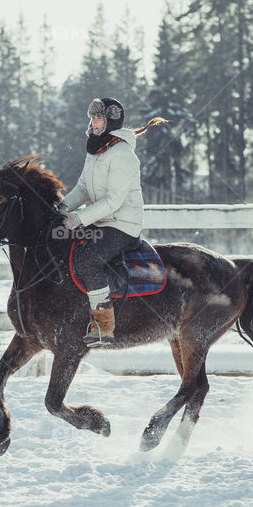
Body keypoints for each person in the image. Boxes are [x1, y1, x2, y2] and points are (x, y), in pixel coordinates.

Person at [59, 97, 166, 347]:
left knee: (88, 260)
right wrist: (61, 209)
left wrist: (77, 219)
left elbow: (114, 200)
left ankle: (103, 326)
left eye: (98, 119)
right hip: (100, 221)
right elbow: (84, 188)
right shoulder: (96, 149)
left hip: (122, 225)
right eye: (92, 118)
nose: (93, 123)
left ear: (110, 121)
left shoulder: (122, 154)